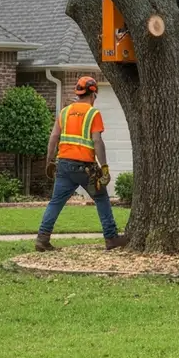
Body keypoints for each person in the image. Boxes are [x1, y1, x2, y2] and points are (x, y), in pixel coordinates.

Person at [35, 76, 127, 252]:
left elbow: (54, 137)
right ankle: (111, 238)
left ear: (78, 93)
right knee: (101, 199)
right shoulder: (93, 113)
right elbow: (97, 141)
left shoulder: (64, 112)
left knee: (55, 202)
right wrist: (105, 166)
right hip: (85, 169)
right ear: (93, 93)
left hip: (63, 166)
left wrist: (49, 160)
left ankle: (42, 239)